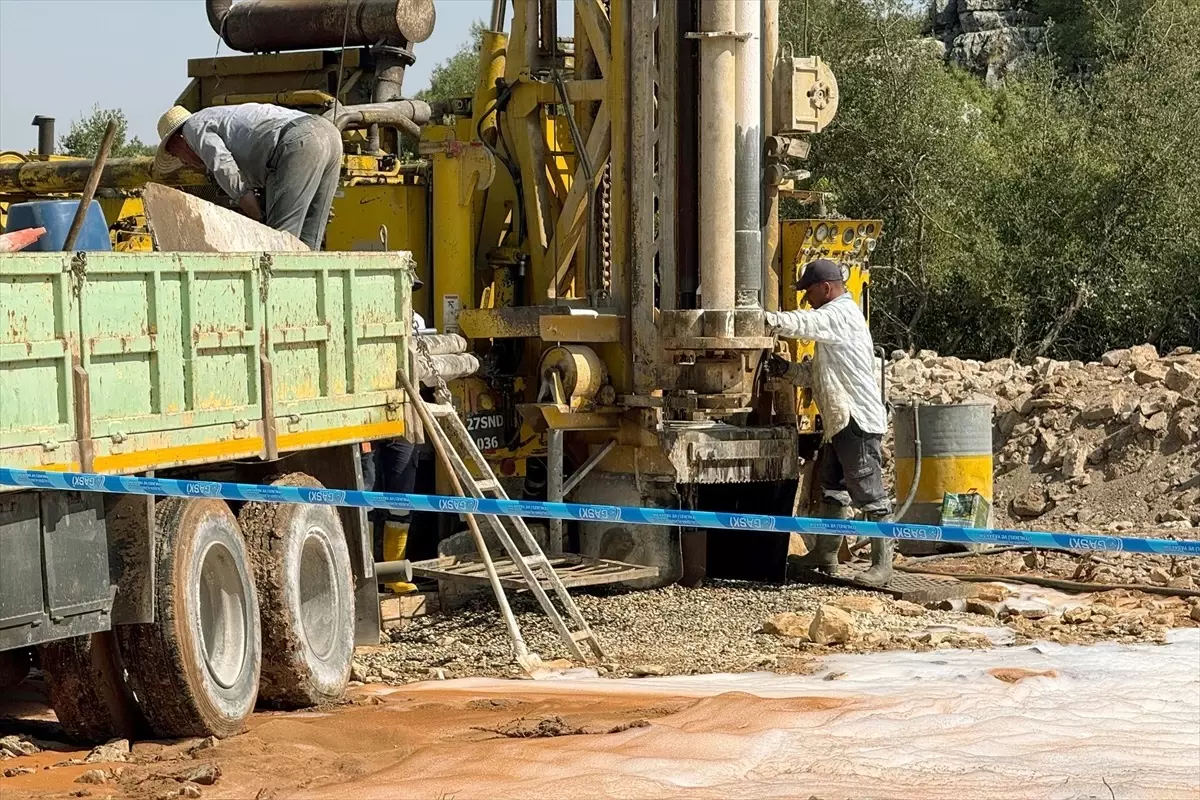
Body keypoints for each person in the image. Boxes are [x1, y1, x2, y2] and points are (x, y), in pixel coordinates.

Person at [764, 258, 893, 585]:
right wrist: (787, 371)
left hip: (856, 421)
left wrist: (765, 320)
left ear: (825, 287)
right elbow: (816, 374)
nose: (806, 298)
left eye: (808, 291)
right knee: (834, 491)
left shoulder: (840, 314)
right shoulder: (836, 323)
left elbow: (803, 324)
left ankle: (883, 566)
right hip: (840, 421)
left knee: (870, 494)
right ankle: (825, 555)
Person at [152, 103, 343, 250]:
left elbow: (224, 167)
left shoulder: (192, 128)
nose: (184, 163)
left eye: (176, 155)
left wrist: (257, 215)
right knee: (309, 239)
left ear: (177, 142)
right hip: (330, 134)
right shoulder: (219, 116)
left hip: (299, 142)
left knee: (282, 245)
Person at [361, 275, 426, 593]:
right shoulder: (365, 318)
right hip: (369, 418)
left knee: (401, 497)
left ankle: (394, 575)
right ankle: (367, 574)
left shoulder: (416, 323)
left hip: (402, 419)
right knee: (368, 497)